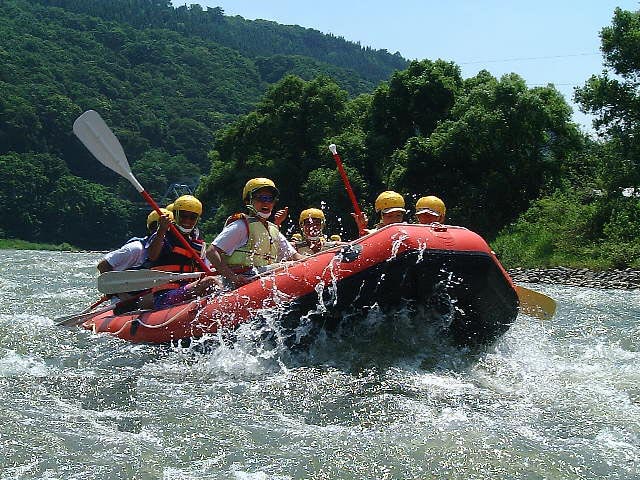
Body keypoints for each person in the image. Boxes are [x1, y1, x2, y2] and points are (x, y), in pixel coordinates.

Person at [206, 177, 306, 288]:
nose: (266, 202)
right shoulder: (241, 226)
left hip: (262, 278)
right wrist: (232, 277)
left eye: (270, 199)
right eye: (261, 198)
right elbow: (211, 252)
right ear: (248, 201)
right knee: (288, 266)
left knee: (295, 265)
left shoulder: (273, 230)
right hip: (242, 279)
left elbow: (295, 257)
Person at [144, 195, 221, 309]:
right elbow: (152, 255)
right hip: (165, 296)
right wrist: (161, 231)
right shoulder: (165, 236)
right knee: (210, 282)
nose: (187, 221)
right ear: (175, 215)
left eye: (192, 217)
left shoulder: (197, 244)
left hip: (187, 291)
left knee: (213, 281)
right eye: (183, 216)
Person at [96, 208, 174, 274]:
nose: (164, 233)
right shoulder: (135, 249)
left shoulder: (172, 250)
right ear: (151, 229)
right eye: (160, 228)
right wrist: (114, 290)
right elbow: (103, 265)